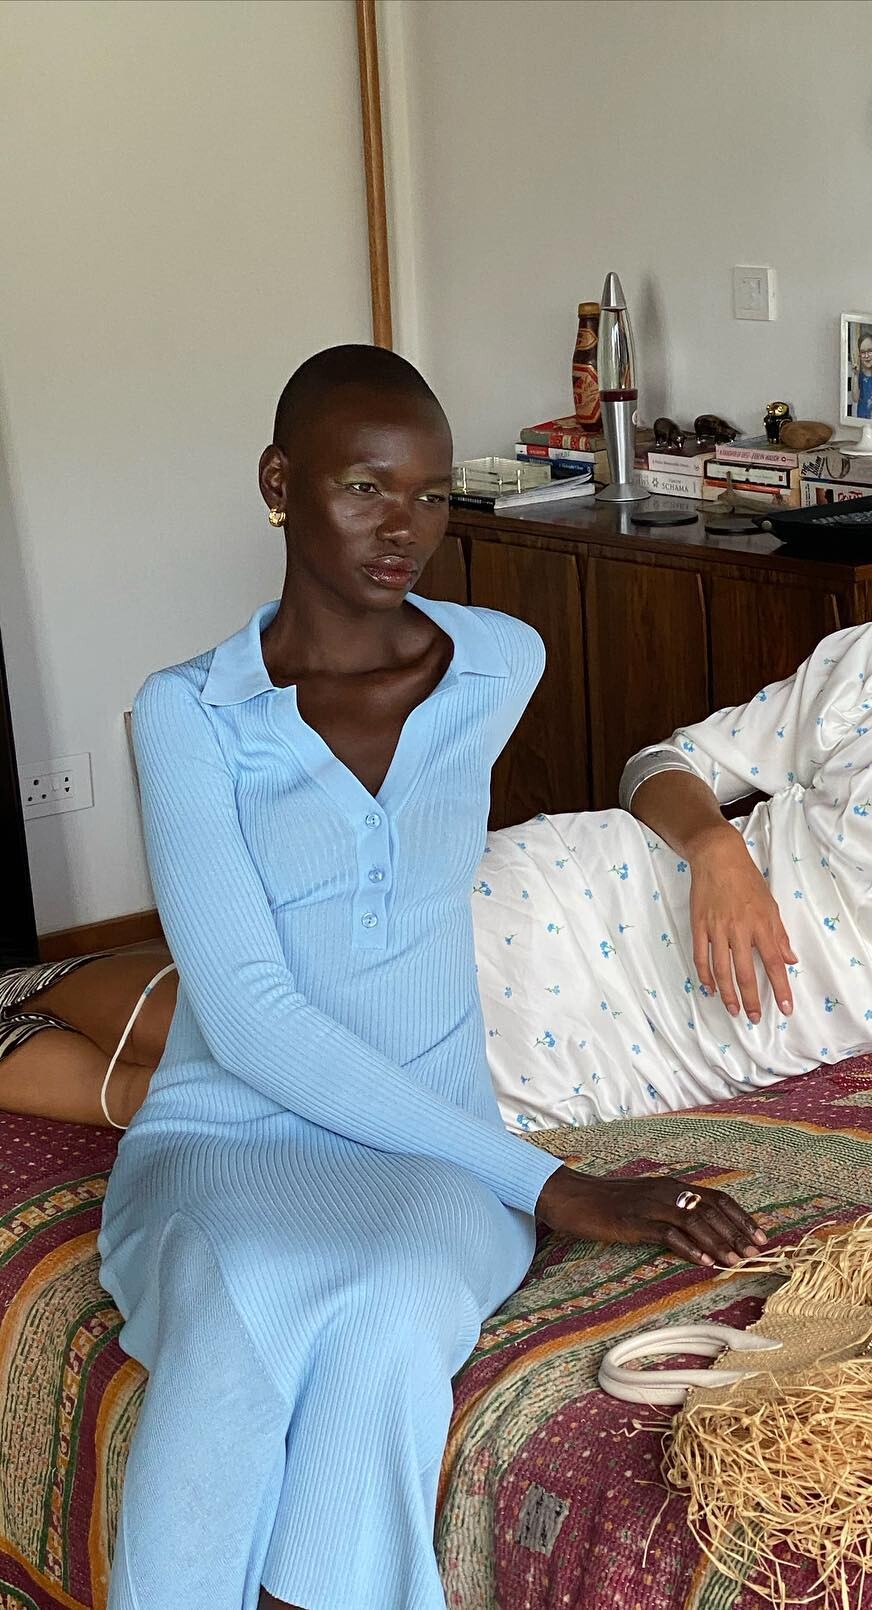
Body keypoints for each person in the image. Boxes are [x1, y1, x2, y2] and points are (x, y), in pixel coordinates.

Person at [1, 402, 872, 1179]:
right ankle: (34, 991)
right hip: (598, 904)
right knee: (286, 999)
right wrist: (721, 854)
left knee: (311, 1096)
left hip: (684, 1043)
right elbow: (666, 764)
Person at [81, 345, 762, 1610]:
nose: (405, 529)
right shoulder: (190, 715)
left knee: (394, 1310)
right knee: (235, 1314)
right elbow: (251, 1019)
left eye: (432, 494)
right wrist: (557, 1185)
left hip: (433, 1146)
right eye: (364, 489)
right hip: (228, 1132)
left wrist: (501, 1172)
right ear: (278, 484)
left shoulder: (502, 663)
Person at [849, 328, 872, 420]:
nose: (866, 356)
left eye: (870, 351)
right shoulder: (858, 375)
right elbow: (855, 398)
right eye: (863, 352)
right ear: (859, 355)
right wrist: (855, 375)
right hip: (860, 419)